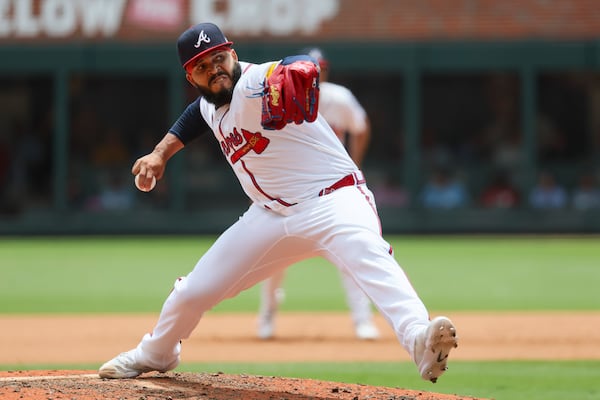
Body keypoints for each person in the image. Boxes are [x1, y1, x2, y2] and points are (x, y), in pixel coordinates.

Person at [98, 22, 458, 384]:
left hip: (333, 200)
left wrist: (300, 68)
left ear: (233, 55)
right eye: (202, 67)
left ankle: (418, 338)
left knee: (369, 255)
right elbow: (195, 117)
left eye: (219, 58)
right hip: (269, 216)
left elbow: (295, 65)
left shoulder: (256, 82)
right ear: (191, 77)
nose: (215, 69)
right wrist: (160, 154)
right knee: (192, 292)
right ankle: (155, 353)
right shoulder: (209, 104)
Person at [256, 48, 380, 341]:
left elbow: (361, 128)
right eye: (310, 67)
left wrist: (354, 163)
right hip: (287, 190)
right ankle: (267, 317)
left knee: (353, 251)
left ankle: (363, 321)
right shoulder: (279, 96)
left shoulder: (338, 98)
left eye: (320, 68)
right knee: (271, 260)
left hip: (329, 190)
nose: (316, 73)